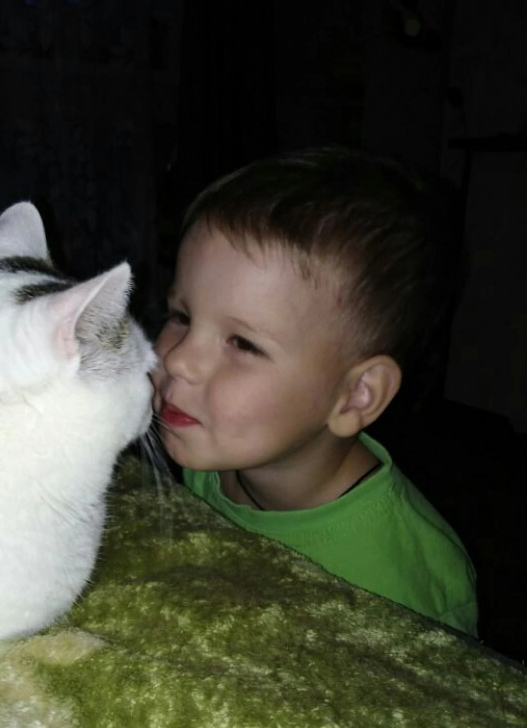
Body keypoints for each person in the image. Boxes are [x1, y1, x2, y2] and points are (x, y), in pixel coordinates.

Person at [152, 147, 477, 637]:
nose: (178, 359)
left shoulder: (404, 586)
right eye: (181, 315)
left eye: (242, 343)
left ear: (357, 395)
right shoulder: (210, 459)